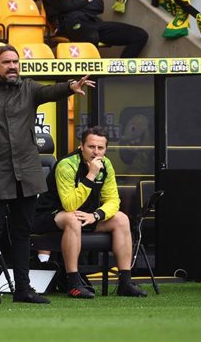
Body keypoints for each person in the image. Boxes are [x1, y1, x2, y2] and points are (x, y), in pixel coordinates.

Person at [0, 44, 94, 304]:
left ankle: (23, 289)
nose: (12, 66)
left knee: (22, 232)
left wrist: (70, 87)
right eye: (7, 62)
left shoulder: (29, 88)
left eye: (15, 62)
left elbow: (50, 91)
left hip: (28, 173)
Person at [34, 126, 147, 298]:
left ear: (105, 149)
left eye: (100, 148)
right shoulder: (66, 165)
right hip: (51, 216)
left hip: (85, 217)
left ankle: (125, 282)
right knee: (72, 218)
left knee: (122, 219)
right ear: (81, 146)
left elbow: (113, 200)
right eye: (91, 147)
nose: (96, 152)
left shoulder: (107, 165)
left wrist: (96, 215)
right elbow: (69, 204)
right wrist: (91, 176)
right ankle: (73, 282)